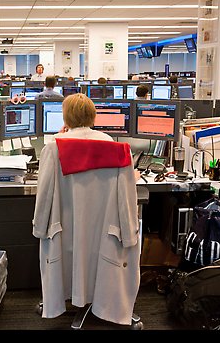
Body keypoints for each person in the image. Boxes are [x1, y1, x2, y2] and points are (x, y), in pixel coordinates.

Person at [33, 92, 141, 325]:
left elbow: (43, 196)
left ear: (65, 119)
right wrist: (130, 232)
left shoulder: (53, 149)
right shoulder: (114, 147)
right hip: (104, 232)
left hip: (66, 230)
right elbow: (126, 197)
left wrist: (39, 228)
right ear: (93, 117)